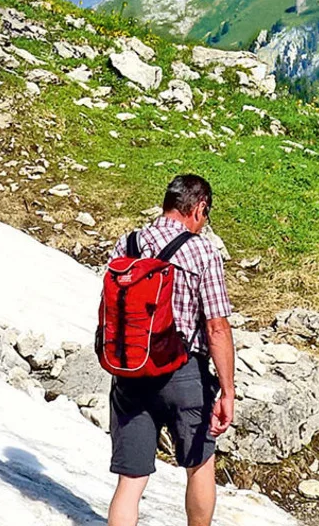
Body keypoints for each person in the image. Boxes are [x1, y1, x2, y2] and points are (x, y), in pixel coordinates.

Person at [106, 174, 235, 526]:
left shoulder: (128, 244)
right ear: (199, 208)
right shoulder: (202, 250)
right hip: (183, 373)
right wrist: (227, 391)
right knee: (199, 465)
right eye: (207, 214)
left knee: (130, 483)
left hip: (131, 371)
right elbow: (216, 327)